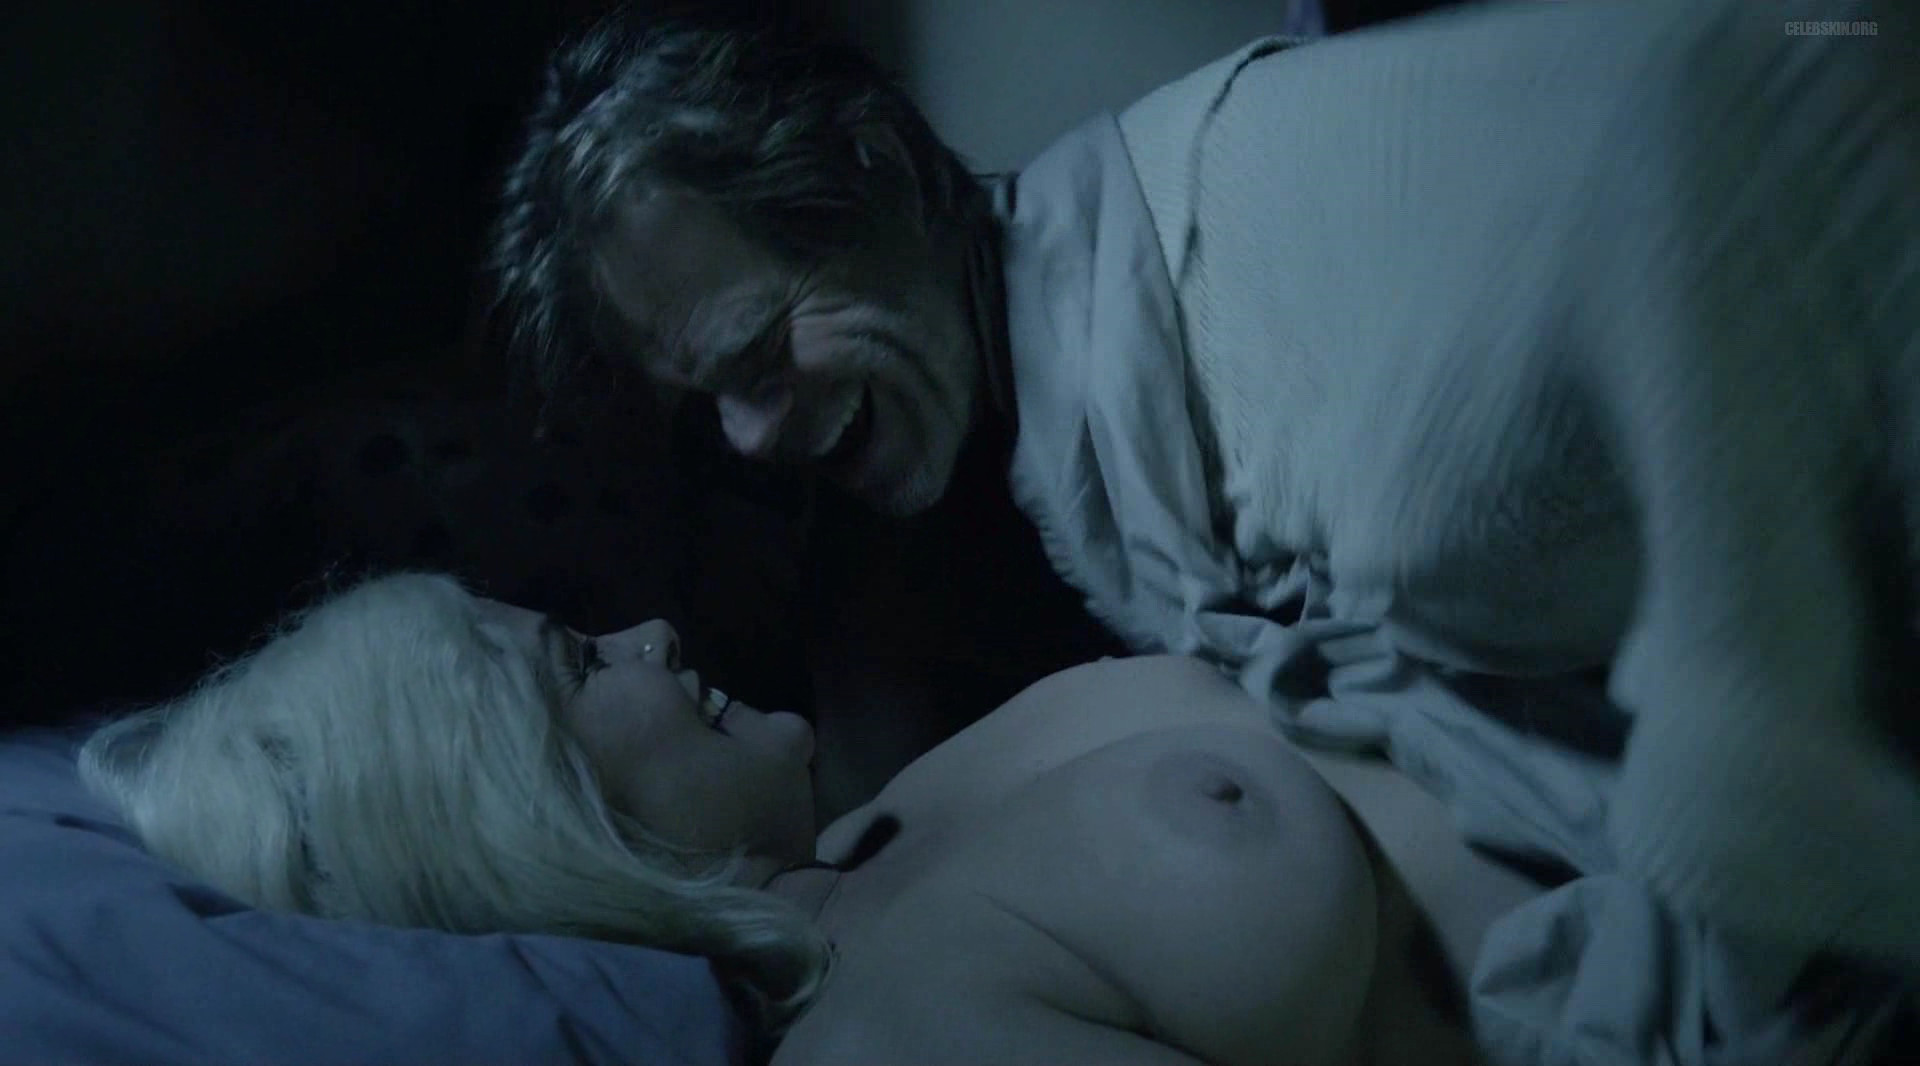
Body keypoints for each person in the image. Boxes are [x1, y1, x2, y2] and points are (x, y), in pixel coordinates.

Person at [487, 0, 1920, 998]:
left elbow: (1780, 70)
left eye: (758, 352)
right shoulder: (1014, 463)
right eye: (708, 401)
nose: (750, 437)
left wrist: (1746, 730)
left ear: (870, 172)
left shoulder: (1247, 222)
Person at [83, 570, 1547, 1064]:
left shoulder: (872, 836)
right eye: (583, 664)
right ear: (528, 820)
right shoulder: (879, 1042)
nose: (654, 632)